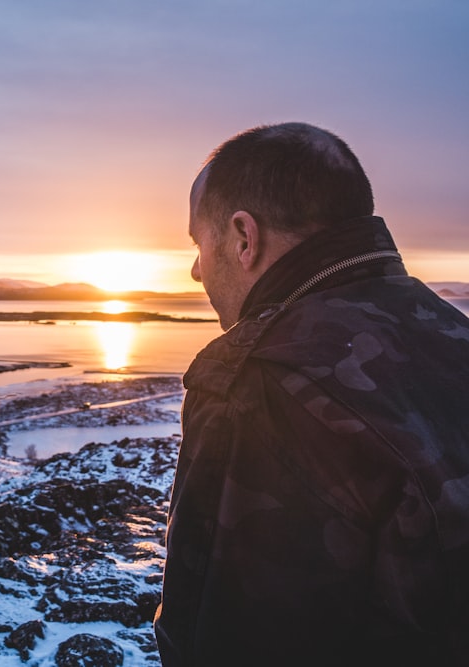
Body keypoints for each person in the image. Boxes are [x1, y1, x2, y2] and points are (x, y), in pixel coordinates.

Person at [154, 122, 469, 666]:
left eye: (198, 245)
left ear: (243, 238)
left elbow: (224, 640)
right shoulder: (451, 333)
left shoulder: (260, 381)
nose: (195, 269)